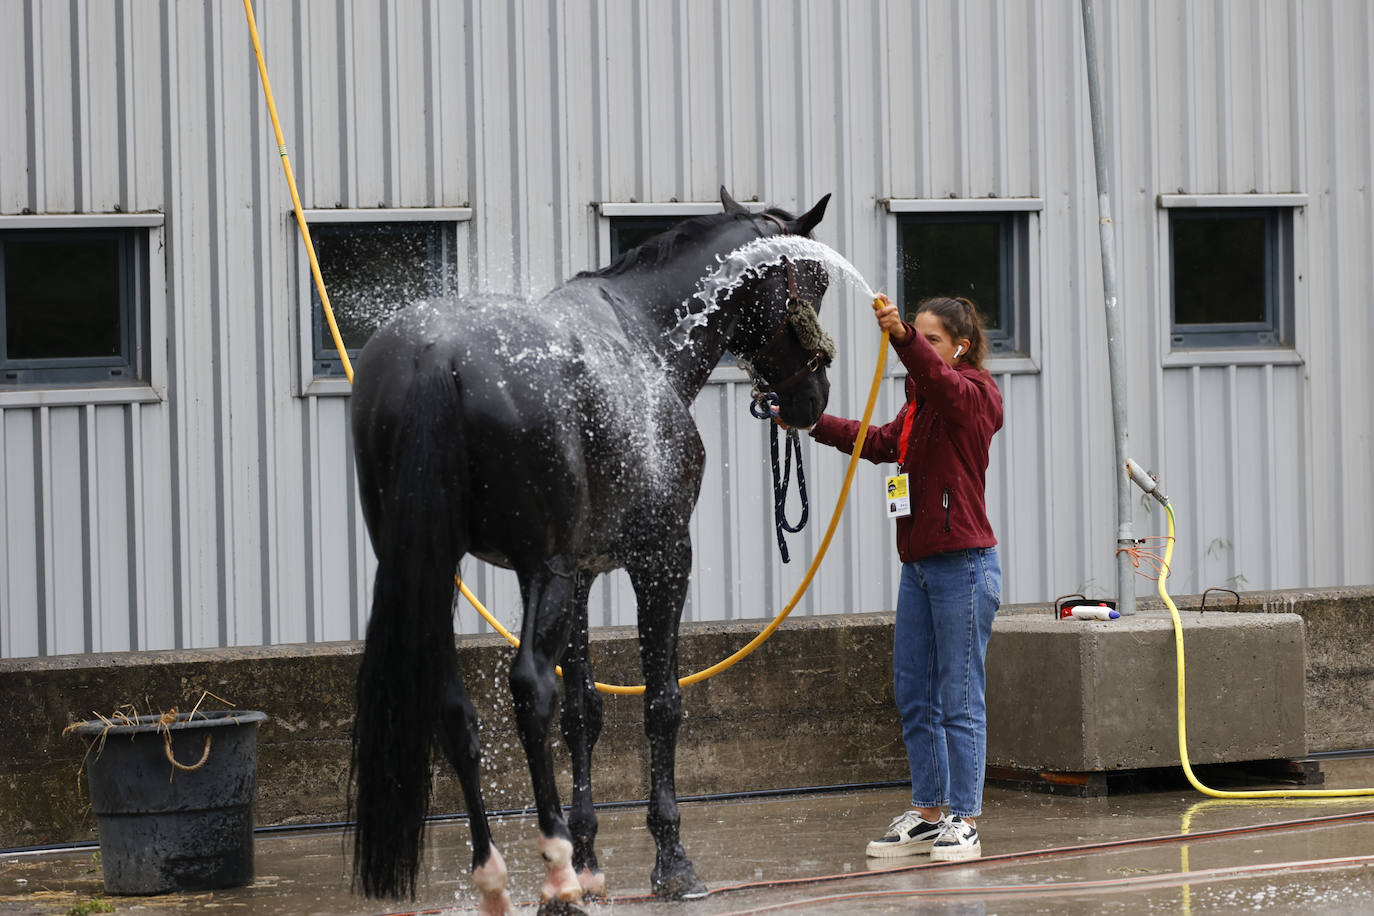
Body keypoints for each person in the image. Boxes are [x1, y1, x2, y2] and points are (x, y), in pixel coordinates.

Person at [780, 293, 1003, 861]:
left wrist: (903, 337)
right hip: (921, 569)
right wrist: (812, 422)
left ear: (961, 347)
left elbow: (942, 384)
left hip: (965, 567)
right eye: (917, 337)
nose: (920, 349)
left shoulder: (974, 396)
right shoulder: (918, 407)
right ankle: (929, 814)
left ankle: (966, 817)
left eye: (933, 341)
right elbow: (881, 443)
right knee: (915, 693)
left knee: (959, 698)